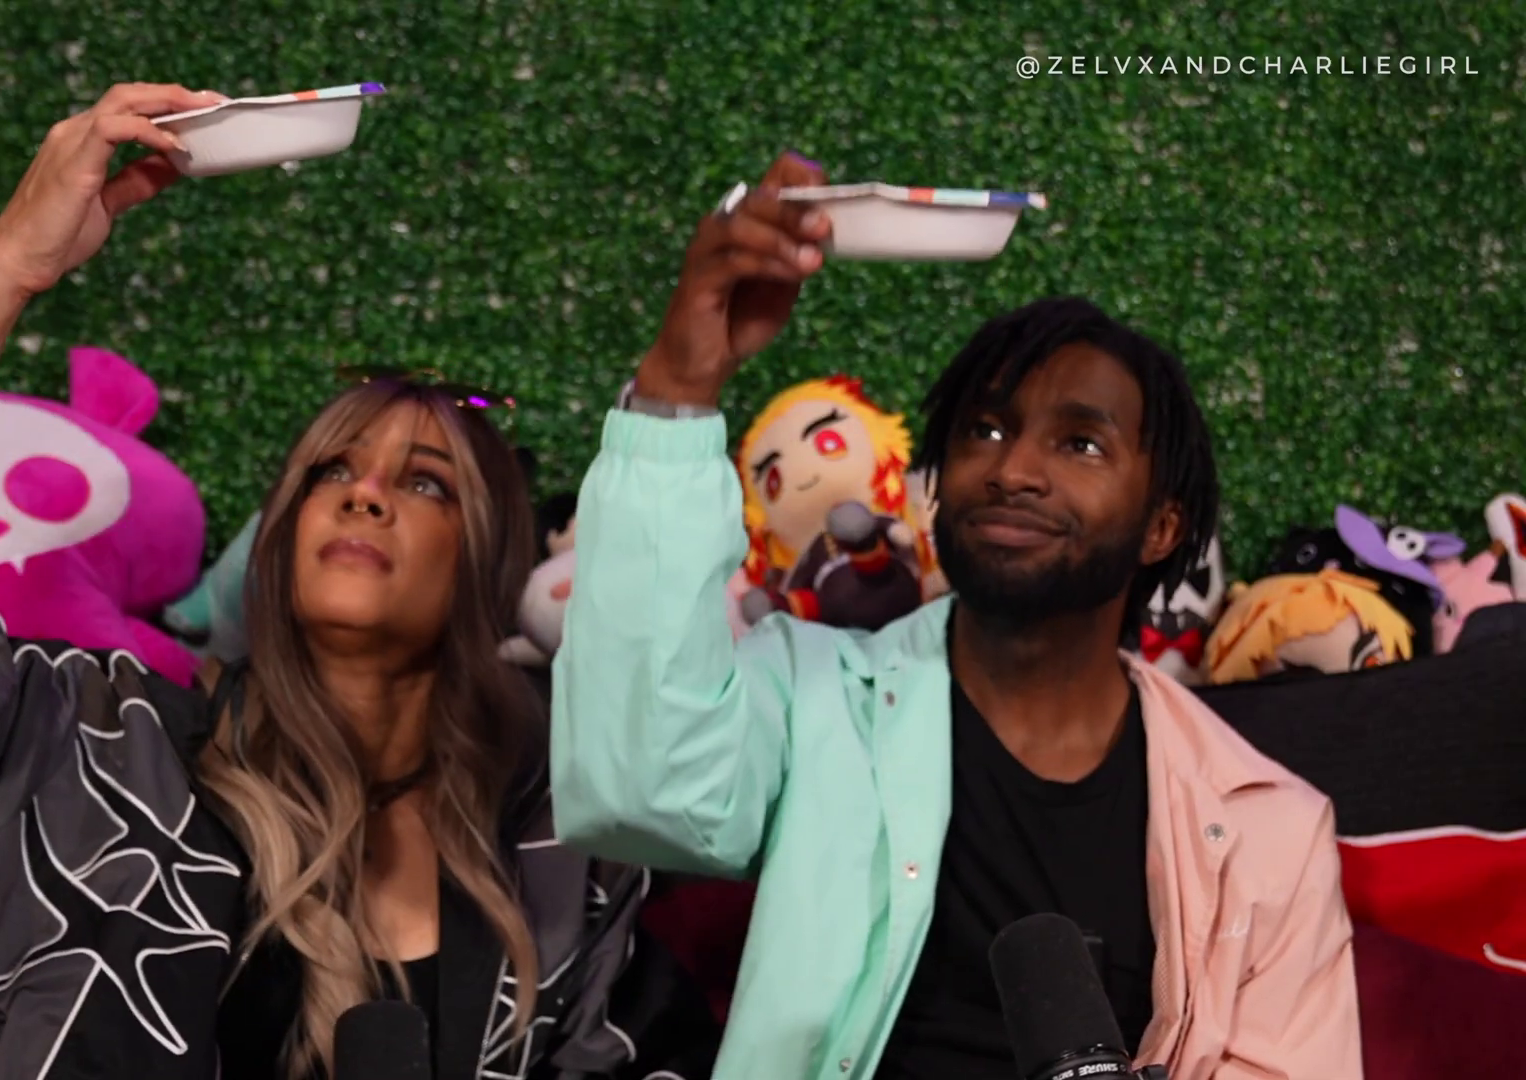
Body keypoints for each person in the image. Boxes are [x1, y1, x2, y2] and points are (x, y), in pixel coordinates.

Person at [0, 82, 717, 1080]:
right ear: (281, 532)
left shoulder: (562, 866)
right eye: (330, 471)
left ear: (497, 564)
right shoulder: (101, 754)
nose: (364, 494)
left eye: (424, 482)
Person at [552, 153, 1362, 1079]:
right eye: (986, 430)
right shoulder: (813, 698)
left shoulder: (1268, 834)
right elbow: (633, 789)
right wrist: (679, 381)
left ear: (1163, 527)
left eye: (1080, 443)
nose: (1013, 469)